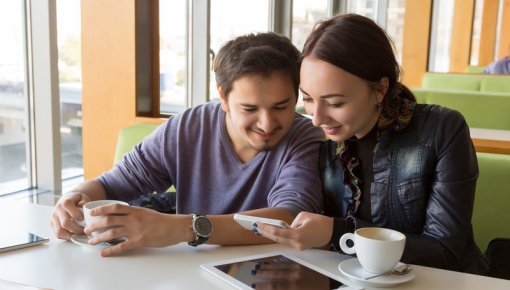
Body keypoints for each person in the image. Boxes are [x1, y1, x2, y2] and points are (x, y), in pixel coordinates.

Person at [51, 32, 324, 257]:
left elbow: (288, 218)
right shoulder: (188, 127)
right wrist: (74, 197)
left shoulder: (306, 138)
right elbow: (112, 184)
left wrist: (186, 228)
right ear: (223, 97)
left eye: (281, 106)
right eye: (249, 108)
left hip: (269, 274)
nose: (266, 123)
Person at [255, 14, 489, 275]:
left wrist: (339, 232)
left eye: (334, 103)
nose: (317, 119)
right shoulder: (323, 141)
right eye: (308, 99)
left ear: (379, 89)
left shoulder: (442, 130)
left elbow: (446, 253)